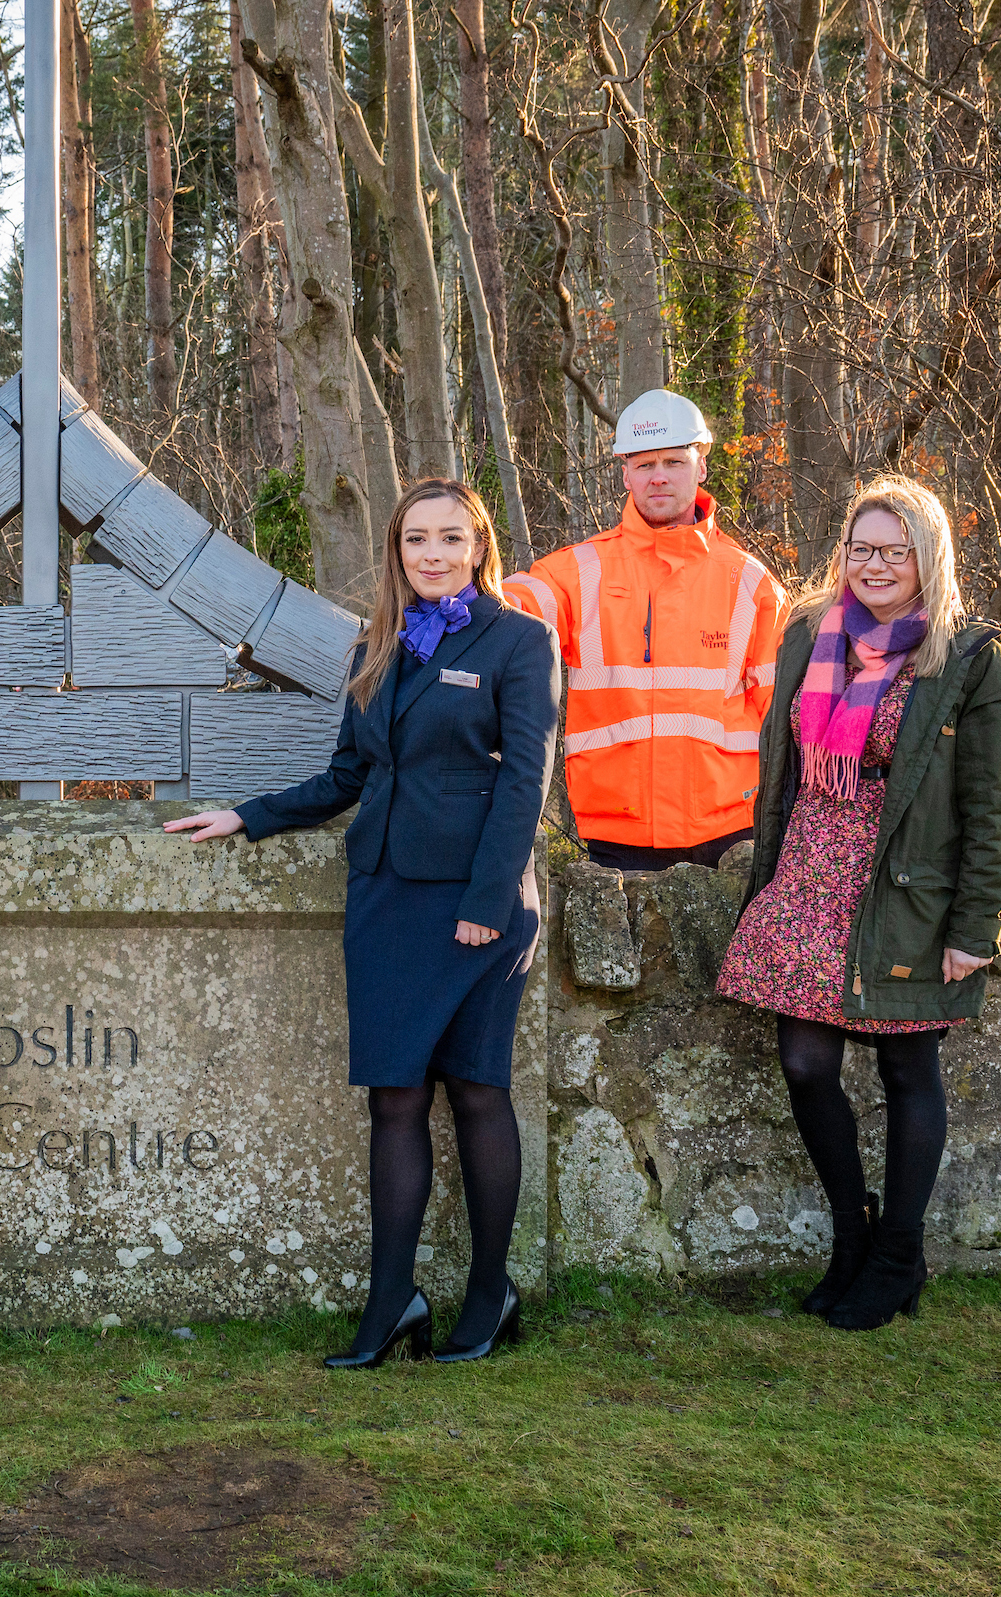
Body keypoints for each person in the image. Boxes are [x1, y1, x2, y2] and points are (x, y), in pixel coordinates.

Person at [166, 480, 559, 1364]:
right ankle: (393, 1301)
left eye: (449, 537)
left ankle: (490, 1293)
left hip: (476, 903)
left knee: (478, 1089)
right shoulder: (374, 646)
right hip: (385, 897)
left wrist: (484, 907)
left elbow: (525, 781)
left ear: (478, 545)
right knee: (395, 1096)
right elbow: (349, 774)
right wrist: (248, 815)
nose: (431, 553)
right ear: (396, 549)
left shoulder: (520, 640)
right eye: (415, 537)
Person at [716, 476, 1001, 1330]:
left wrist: (975, 925)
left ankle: (897, 1254)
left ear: (929, 557)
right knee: (807, 1063)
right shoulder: (812, 634)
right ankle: (851, 1237)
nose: (876, 564)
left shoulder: (965, 657)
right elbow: (780, 764)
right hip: (810, 873)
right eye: (862, 548)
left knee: (904, 1067)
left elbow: (992, 809)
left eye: (895, 550)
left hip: (903, 886)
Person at [503, 389, 786, 870]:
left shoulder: (752, 583)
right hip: (618, 832)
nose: (659, 476)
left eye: (674, 462)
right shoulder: (578, 571)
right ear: (625, 473)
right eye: (646, 464)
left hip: (730, 830)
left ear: (701, 466)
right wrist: (449, 589)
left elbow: (782, 719)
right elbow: (509, 609)